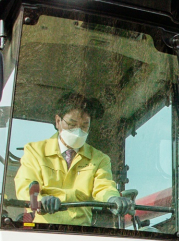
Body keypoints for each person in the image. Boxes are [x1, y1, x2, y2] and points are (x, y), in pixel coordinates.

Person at [13, 93, 133, 226]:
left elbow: (103, 187)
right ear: (58, 121)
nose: (78, 131)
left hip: (81, 231)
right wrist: (41, 201)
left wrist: (113, 198)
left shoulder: (99, 159)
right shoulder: (35, 151)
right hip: (43, 230)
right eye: (72, 124)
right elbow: (26, 186)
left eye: (84, 126)